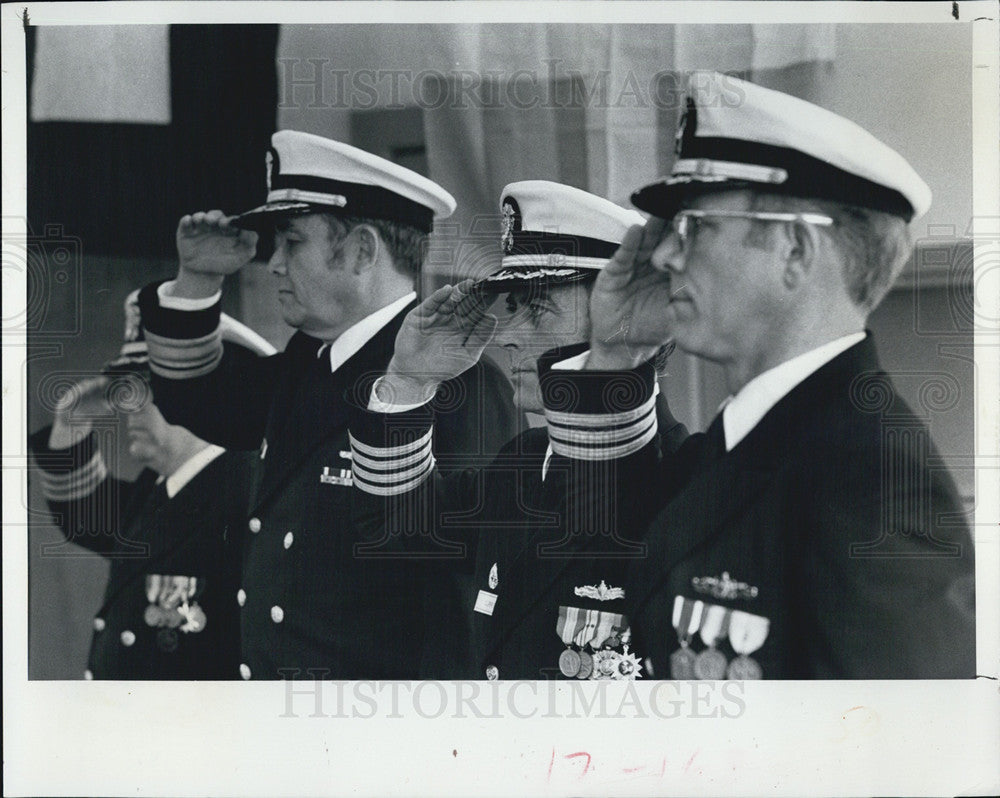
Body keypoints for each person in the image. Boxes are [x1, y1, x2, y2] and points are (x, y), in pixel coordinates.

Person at [534, 71, 976, 679]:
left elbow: (899, 757)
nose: (663, 255)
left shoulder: (871, 480)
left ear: (794, 250)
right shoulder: (734, 447)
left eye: (696, 227)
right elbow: (593, 571)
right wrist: (614, 355)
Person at [136, 130, 522, 680]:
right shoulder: (310, 364)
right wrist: (196, 282)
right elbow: (196, 401)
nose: (273, 264)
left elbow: (473, 577)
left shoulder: (460, 383)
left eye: (292, 243)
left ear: (363, 251)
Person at [348, 181, 687, 680]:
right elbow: (398, 539)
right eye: (513, 309)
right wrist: (408, 381)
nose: (507, 337)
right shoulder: (523, 462)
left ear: (621, 317)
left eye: (538, 309)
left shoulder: (678, 480)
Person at [29, 293, 270, 679]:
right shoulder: (160, 486)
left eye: (151, 390)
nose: (130, 405)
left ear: (211, 396)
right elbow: (84, 516)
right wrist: (72, 421)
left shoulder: (251, 494)